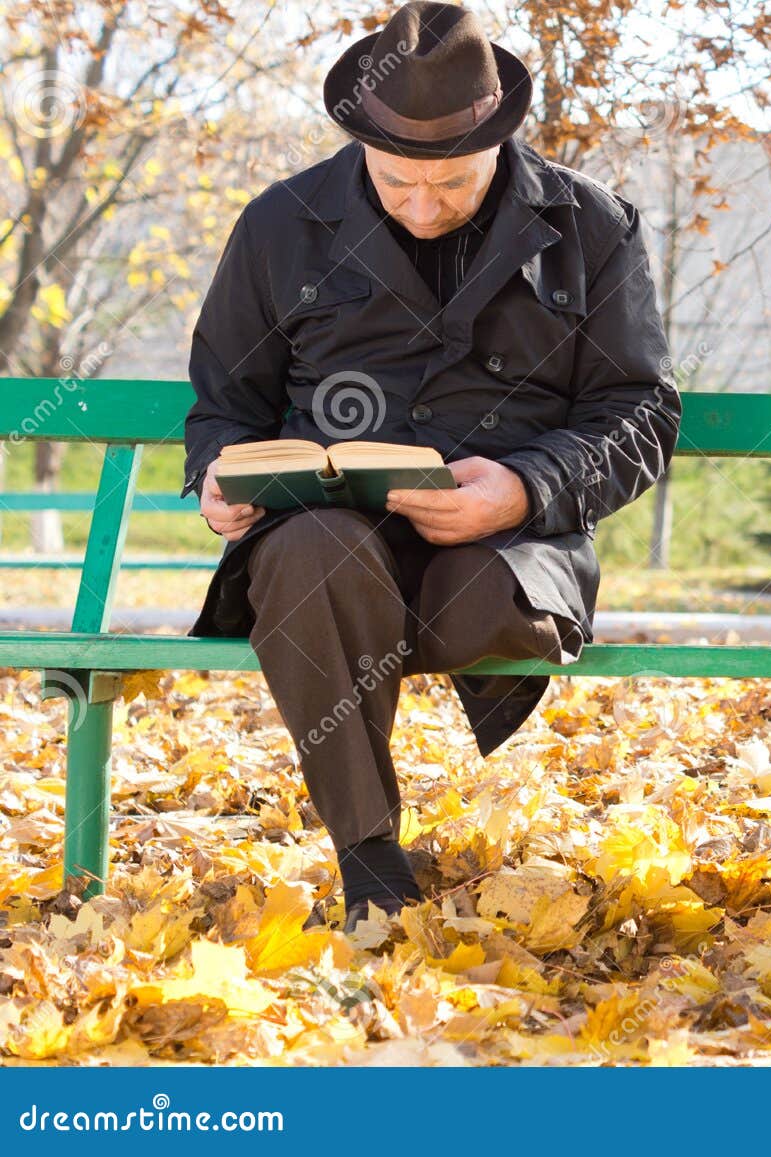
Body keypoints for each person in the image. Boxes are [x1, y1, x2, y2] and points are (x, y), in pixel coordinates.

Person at [181, 3, 680, 933]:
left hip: (505, 557)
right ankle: (370, 863)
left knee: (408, 594)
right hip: (327, 537)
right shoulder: (279, 223)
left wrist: (528, 489)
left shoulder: (593, 226)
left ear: (498, 139)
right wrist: (217, 476)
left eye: (448, 183)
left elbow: (642, 410)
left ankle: (328, 633)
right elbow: (224, 405)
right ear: (361, 143)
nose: (420, 204)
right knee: (309, 561)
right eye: (397, 180)